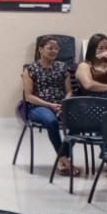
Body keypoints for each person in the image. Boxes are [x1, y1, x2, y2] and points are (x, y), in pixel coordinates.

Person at [20, 35, 76, 175]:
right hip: (37, 106)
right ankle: (64, 159)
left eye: (56, 48)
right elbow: (29, 96)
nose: (54, 51)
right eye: (50, 48)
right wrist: (50, 105)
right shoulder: (30, 69)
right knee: (51, 121)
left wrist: (64, 104)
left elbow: (69, 91)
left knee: (80, 123)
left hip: (60, 105)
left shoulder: (62, 67)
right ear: (40, 49)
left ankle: (62, 158)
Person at [75, 34, 107, 98]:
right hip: (93, 99)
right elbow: (89, 85)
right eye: (101, 48)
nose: (105, 52)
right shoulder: (84, 65)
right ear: (92, 49)